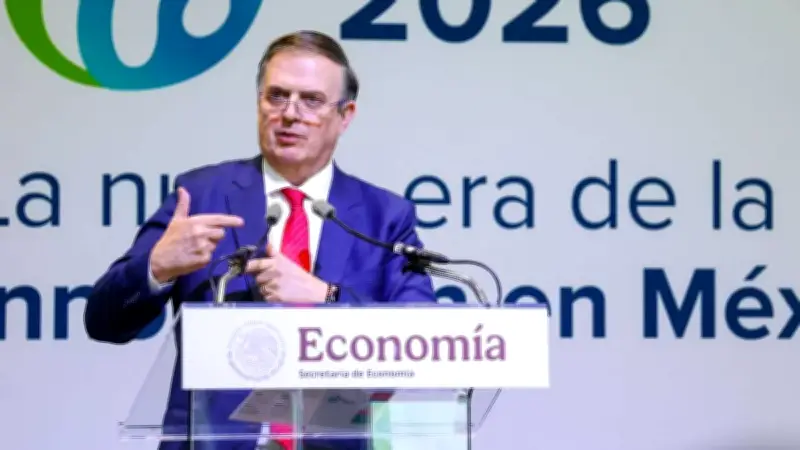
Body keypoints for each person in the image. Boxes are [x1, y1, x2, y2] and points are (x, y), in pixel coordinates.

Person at [84, 30, 437, 450]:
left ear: (346, 116)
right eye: (277, 96)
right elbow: (103, 322)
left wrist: (326, 297)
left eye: (311, 100)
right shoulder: (201, 196)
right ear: (258, 103)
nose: (290, 114)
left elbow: (424, 340)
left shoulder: (383, 217)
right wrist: (157, 266)